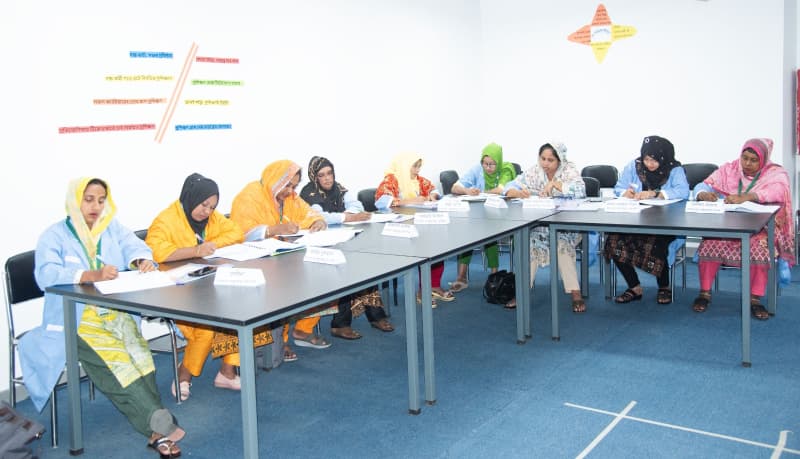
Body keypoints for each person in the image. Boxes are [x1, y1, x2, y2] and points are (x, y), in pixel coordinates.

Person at [18, 178, 185, 458]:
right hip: (76, 317)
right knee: (118, 364)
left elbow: (135, 246)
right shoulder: (54, 235)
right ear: (75, 201)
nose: (95, 206)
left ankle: (156, 422)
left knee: (140, 355)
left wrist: (141, 260)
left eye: (100, 200)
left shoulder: (111, 227)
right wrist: (89, 275)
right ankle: (158, 426)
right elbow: (45, 274)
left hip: (113, 312)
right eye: (88, 199)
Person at [146, 173, 251, 399]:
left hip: (204, 285)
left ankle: (227, 372)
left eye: (212, 207)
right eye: (204, 205)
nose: (207, 212)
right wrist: (194, 251)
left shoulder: (211, 218)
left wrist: (211, 245)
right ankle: (184, 374)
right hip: (174, 291)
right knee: (206, 326)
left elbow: (236, 233)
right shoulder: (167, 219)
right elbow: (155, 251)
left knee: (238, 308)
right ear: (191, 198)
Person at [231, 160, 331, 361]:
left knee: (325, 276)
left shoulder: (289, 196)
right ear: (275, 180)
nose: (291, 191)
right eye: (287, 185)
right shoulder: (250, 196)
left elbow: (308, 212)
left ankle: (302, 329)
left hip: (284, 255)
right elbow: (239, 234)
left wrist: (318, 221)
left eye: (294, 186)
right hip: (256, 261)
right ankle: (280, 340)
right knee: (284, 288)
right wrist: (272, 230)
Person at [691, 138, 795, 319]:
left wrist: (748, 196)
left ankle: (755, 299)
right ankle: (704, 293)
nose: (747, 163)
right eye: (744, 158)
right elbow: (704, 184)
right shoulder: (730, 169)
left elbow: (778, 191)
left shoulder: (775, 173)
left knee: (760, 250)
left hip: (760, 229)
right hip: (728, 226)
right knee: (709, 243)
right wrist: (702, 193)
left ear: (763, 159)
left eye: (753, 160)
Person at [299, 156, 394, 339]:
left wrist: (348, 214)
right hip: (320, 247)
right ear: (314, 177)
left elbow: (357, 205)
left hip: (343, 239)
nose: (327, 178)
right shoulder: (309, 194)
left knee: (364, 266)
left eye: (329, 173)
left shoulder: (339, 188)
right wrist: (347, 217)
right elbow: (320, 217)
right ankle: (340, 324)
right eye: (321, 175)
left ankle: (376, 315)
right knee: (343, 273)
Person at [604, 135, 689, 305]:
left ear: (664, 158)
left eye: (654, 160)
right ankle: (634, 287)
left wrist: (656, 194)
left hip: (666, 221)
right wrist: (625, 193)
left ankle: (664, 286)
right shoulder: (634, 166)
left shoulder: (674, 169)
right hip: (635, 220)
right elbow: (619, 187)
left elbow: (683, 191)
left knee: (657, 242)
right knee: (613, 241)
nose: (649, 164)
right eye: (646, 159)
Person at [504, 141, 587, 311]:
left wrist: (557, 184)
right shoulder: (535, 171)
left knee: (561, 246)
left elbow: (582, 191)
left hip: (566, 227)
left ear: (559, 160)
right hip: (540, 227)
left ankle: (575, 293)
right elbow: (509, 186)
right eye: (543, 159)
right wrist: (517, 192)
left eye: (550, 160)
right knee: (529, 245)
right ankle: (522, 292)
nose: (545, 164)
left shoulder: (569, 170)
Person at [375, 152, 454, 306]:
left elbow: (433, 189)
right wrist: (410, 201)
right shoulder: (391, 180)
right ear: (405, 166)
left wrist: (433, 196)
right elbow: (381, 201)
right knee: (425, 248)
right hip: (400, 228)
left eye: (419, 166)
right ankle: (423, 290)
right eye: (414, 166)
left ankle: (434, 286)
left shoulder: (418, 180)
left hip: (420, 223)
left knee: (438, 244)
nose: (418, 170)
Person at [448, 142, 518, 293]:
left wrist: (481, 192)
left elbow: (500, 190)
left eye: (492, 164)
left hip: (503, 215)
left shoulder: (506, 169)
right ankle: (461, 276)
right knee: (468, 234)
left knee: (490, 233)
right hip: (479, 215)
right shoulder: (477, 169)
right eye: (485, 163)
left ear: (498, 161)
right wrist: (467, 191)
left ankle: (494, 276)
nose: (488, 167)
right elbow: (454, 187)